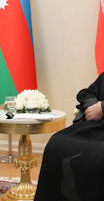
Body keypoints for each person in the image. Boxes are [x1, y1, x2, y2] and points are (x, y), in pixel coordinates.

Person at [34, 73, 104, 201]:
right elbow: (88, 93)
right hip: (96, 125)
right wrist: (92, 107)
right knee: (56, 143)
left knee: (97, 155)